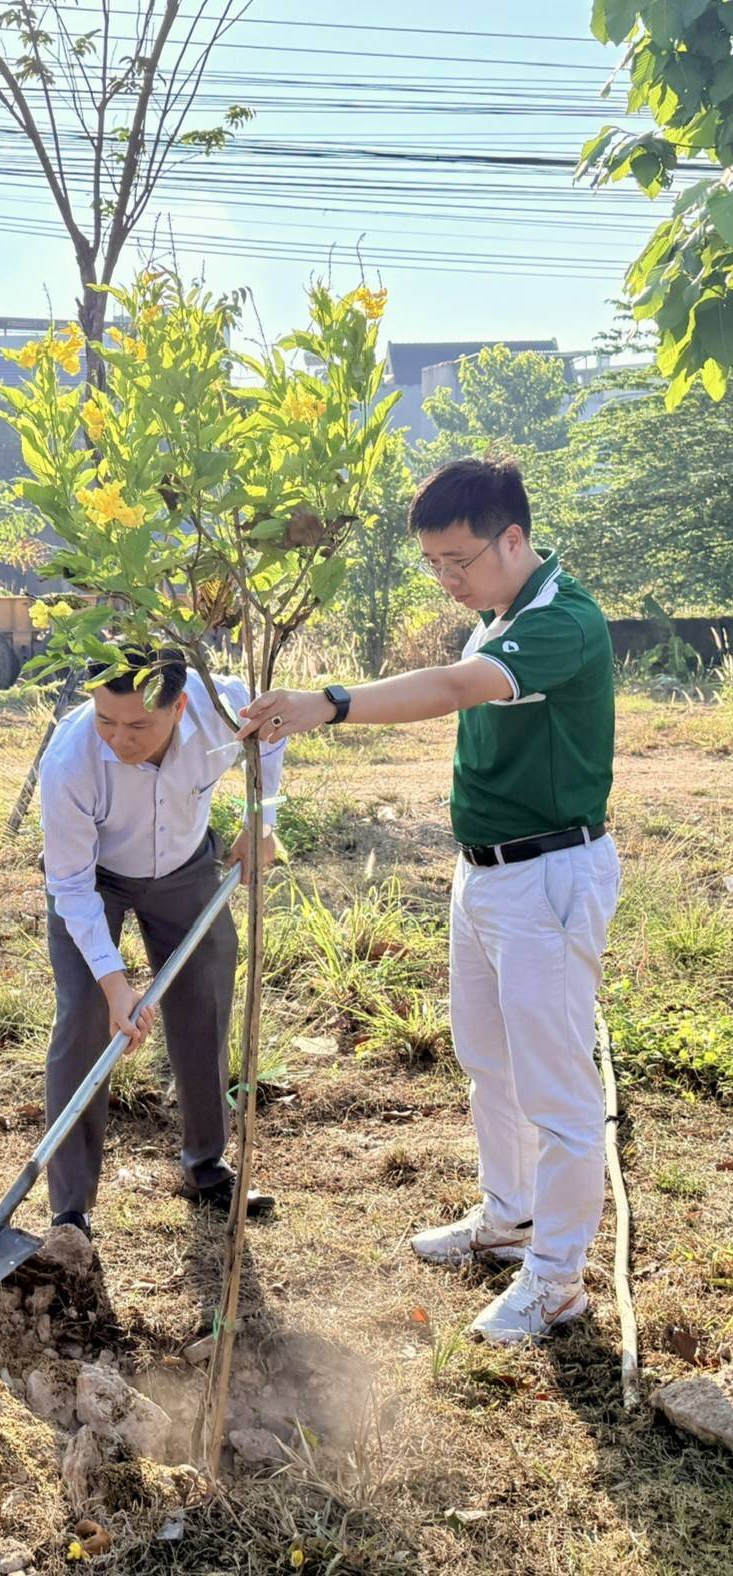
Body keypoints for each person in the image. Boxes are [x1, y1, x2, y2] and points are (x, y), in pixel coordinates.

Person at [238, 456, 618, 1345]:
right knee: (487, 1057)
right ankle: (507, 1217)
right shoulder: (498, 614)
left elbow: (451, 690)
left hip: (547, 878)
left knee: (558, 1091)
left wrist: (325, 704)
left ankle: (557, 1279)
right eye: (433, 564)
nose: (447, 580)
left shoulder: (561, 621)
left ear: (512, 538)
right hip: (485, 874)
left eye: (459, 560)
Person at [38, 646, 285, 1241]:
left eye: (137, 725)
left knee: (203, 1008)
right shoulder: (70, 763)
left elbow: (274, 730)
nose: (118, 739)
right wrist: (114, 981)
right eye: (106, 721)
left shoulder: (222, 706)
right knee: (86, 1018)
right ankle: (71, 1209)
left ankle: (207, 1169)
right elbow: (69, 884)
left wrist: (260, 819)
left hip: (185, 868)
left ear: (178, 706)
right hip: (96, 879)